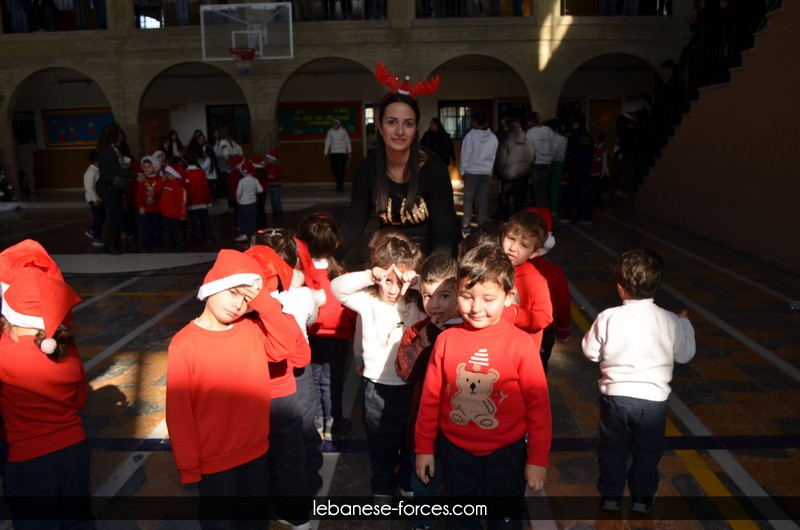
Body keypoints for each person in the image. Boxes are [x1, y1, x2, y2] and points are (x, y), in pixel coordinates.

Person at [415, 242, 551, 530]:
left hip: (506, 456)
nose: (476, 308)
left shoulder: (521, 345)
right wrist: (424, 447)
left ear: (509, 297)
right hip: (455, 454)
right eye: (467, 296)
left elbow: (538, 406)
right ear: (457, 292)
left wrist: (537, 459)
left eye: (488, 299)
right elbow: (430, 399)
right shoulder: (446, 341)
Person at [166, 249, 296, 529]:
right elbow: (179, 412)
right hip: (214, 460)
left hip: (256, 452)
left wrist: (263, 302)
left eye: (246, 299)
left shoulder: (251, 330)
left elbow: (286, 346)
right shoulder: (184, 343)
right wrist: (188, 465)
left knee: (254, 520)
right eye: (233, 292)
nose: (238, 304)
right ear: (213, 286)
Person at [582, 246, 696, 513]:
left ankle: (610, 497)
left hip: (615, 400)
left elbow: (590, 352)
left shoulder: (608, 317)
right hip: (653, 402)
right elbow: (685, 355)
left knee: (612, 450)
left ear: (620, 287)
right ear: (657, 285)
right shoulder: (669, 320)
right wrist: (685, 324)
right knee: (647, 452)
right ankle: (642, 500)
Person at [331, 229, 425, 499]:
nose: (394, 289)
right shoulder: (367, 300)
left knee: (411, 439)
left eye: (400, 281)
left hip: (410, 386)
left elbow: (444, 291)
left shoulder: (417, 303)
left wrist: (416, 281)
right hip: (377, 388)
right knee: (380, 442)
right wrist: (371, 276)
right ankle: (382, 485)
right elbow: (337, 287)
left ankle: (408, 482)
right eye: (387, 280)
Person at [0, 261, 92, 529]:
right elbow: (79, 400)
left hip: (30, 458)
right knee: (78, 521)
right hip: (74, 450)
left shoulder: (5, 355)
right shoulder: (68, 351)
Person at [248, 233, 316, 530]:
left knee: (260, 457)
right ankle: (299, 513)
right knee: (292, 453)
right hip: (286, 394)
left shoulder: (239, 319)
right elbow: (302, 357)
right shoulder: (289, 310)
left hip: (254, 396)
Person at [339, 90, 460, 258]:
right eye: (391, 122)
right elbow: (353, 226)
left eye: (408, 124)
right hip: (393, 258)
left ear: (415, 129)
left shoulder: (434, 169)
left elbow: (444, 235)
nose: (400, 131)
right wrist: (323, 258)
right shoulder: (367, 170)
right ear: (380, 127)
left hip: (435, 257)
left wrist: (431, 273)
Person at [395, 254, 462, 530]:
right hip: (424, 430)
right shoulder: (419, 331)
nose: (434, 305)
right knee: (424, 483)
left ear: (460, 292)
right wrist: (431, 332)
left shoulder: (473, 331)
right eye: (426, 296)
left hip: (463, 430)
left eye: (443, 295)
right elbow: (405, 370)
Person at [297, 213, 357, 442]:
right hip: (338, 338)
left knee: (312, 381)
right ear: (336, 243)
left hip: (310, 336)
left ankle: (317, 423)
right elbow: (351, 310)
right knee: (332, 382)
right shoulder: (342, 276)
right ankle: (334, 423)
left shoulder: (300, 277)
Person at [500, 210, 554, 369]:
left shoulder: (536, 280)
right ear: (503, 235)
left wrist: (516, 314)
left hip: (520, 357)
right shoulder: (492, 269)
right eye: (511, 238)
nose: (513, 248)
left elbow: (544, 317)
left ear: (534, 253)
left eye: (524, 245)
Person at [527, 207, 571, 371]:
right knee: (538, 370)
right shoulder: (555, 272)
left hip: (513, 331)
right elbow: (563, 304)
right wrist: (563, 330)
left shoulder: (507, 269)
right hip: (545, 331)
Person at [95, 123, 144, 255]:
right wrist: (135, 176)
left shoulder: (108, 149)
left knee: (115, 215)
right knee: (115, 216)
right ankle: (110, 245)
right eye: (118, 134)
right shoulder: (109, 150)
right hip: (107, 186)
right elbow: (116, 169)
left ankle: (112, 244)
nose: (120, 137)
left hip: (109, 185)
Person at [459, 112, 498, 234]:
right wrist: (490, 171)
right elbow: (493, 157)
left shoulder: (470, 136)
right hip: (486, 172)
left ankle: (466, 225)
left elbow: (465, 155)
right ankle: (481, 225)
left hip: (471, 172)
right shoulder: (493, 137)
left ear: (475, 122)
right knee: (483, 200)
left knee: (468, 200)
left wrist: (462, 170)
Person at [494, 117, 533, 221]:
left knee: (505, 199)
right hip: (522, 174)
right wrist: (527, 169)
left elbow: (501, 158)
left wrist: (500, 172)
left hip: (508, 173)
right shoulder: (526, 138)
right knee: (518, 199)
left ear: (508, 126)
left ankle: (506, 220)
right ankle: (518, 221)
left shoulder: (505, 139)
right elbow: (532, 155)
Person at [560, 113, 594, 224]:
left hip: (575, 169)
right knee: (585, 192)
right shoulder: (589, 137)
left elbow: (569, 154)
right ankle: (586, 216)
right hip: (586, 168)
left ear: (576, 123)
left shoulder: (573, 137)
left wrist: (567, 169)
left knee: (571, 192)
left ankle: (567, 215)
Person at [183, 151, 215, 246]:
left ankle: (197, 237)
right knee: (205, 219)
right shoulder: (201, 172)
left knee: (194, 221)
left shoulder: (186, 173)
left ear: (186, 161)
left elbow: (185, 189)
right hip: (202, 201)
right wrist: (208, 200)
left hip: (192, 202)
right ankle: (209, 235)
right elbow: (205, 187)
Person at [525, 111, 556, 208]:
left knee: (537, 190)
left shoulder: (530, 132)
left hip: (536, 163)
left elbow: (528, 149)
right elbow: (555, 147)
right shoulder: (549, 131)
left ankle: (539, 211)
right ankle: (546, 210)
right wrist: (550, 157)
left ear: (531, 121)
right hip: (547, 163)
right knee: (545, 189)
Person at [136, 155, 164, 252]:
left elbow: (160, 193)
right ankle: (144, 245)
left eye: (149, 166)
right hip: (145, 209)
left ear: (154, 167)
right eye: (144, 167)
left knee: (156, 227)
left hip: (156, 208)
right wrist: (140, 206)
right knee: (144, 228)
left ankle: (155, 245)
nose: (146, 169)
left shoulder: (159, 179)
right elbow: (139, 195)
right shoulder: (142, 179)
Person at [160, 163, 187, 252]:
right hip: (165, 213)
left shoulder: (178, 186)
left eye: (169, 174)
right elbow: (157, 190)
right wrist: (162, 181)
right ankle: (167, 247)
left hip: (174, 214)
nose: (167, 175)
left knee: (176, 231)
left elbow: (182, 201)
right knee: (166, 232)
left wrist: (182, 214)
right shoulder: (165, 184)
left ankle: (179, 247)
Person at [235, 161, 264, 243]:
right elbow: (260, 190)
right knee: (253, 219)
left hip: (243, 203)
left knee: (241, 219)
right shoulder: (255, 180)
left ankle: (243, 234)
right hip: (253, 203)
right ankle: (254, 234)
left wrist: (238, 200)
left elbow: (238, 192)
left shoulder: (242, 181)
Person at [83, 150, 105, 246]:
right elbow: (89, 187)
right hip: (94, 199)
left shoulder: (96, 170)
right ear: (96, 161)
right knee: (99, 217)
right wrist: (95, 199)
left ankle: (92, 230)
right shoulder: (90, 172)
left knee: (102, 215)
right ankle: (96, 237)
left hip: (98, 198)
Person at [323, 118, 352, 192]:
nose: (334, 125)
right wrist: (325, 152)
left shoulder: (343, 131)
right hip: (333, 152)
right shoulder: (330, 131)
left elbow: (347, 141)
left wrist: (349, 151)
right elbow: (327, 142)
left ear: (339, 124)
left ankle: (340, 185)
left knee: (341, 168)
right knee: (334, 168)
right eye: (333, 124)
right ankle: (338, 182)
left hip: (342, 152)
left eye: (336, 124)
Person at [15, 131, 36, 199]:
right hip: (29, 159)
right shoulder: (30, 142)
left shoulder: (17, 142)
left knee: (22, 174)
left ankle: (23, 187)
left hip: (20, 159)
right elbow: (34, 150)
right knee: (30, 174)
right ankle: (31, 188)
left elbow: (15, 150)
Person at [265, 149, 284, 218]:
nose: (267, 160)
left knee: (276, 199)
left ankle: (279, 210)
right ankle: (274, 210)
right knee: (272, 199)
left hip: (276, 185)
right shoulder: (267, 167)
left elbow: (280, 175)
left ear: (272, 159)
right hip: (269, 185)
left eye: (269, 159)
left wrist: (273, 176)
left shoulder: (277, 167)